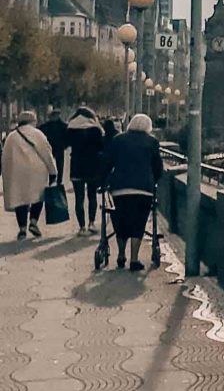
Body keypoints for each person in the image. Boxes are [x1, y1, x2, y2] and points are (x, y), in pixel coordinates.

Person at [101, 112, 163, 273]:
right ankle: (134, 259)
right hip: (143, 188)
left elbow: (108, 162)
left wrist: (103, 181)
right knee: (138, 222)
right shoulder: (152, 142)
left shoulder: (118, 139)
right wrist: (153, 180)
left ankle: (121, 255)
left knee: (121, 220)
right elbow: (158, 167)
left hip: (120, 187)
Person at [3, 111, 58, 239]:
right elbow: (47, 153)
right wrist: (53, 172)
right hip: (37, 170)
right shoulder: (38, 134)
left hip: (17, 171)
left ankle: (22, 228)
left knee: (20, 199)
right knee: (38, 197)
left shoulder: (11, 136)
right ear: (33, 121)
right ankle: (33, 221)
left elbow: (5, 157)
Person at [66, 104, 106, 233]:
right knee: (92, 195)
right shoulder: (96, 129)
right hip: (92, 166)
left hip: (77, 165)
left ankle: (81, 226)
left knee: (79, 197)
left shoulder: (71, 128)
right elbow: (102, 147)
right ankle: (91, 223)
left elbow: (66, 144)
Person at [39, 111, 68, 185]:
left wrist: (64, 145)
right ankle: (54, 180)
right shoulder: (63, 126)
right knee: (52, 164)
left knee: (58, 165)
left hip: (57, 147)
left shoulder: (46, 126)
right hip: (53, 147)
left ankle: (58, 180)